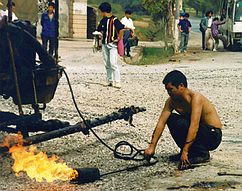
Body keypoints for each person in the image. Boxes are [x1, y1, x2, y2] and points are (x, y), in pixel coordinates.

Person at [144, 70, 222, 170]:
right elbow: (161, 122)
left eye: (171, 89)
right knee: (171, 119)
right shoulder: (171, 101)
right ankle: (189, 151)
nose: (168, 93)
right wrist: (152, 146)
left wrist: (185, 151)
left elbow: (194, 125)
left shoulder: (195, 98)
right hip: (198, 132)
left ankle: (201, 154)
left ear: (181, 86)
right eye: (167, 90)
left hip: (212, 136)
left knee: (183, 123)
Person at [97, 2, 124, 89]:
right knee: (107, 63)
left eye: (100, 12)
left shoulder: (115, 20)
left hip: (112, 44)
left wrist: (118, 38)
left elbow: (121, 29)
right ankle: (109, 80)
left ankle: (118, 81)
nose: (100, 14)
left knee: (113, 63)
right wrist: (100, 34)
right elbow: (99, 29)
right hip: (105, 44)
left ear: (104, 11)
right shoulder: (103, 20)